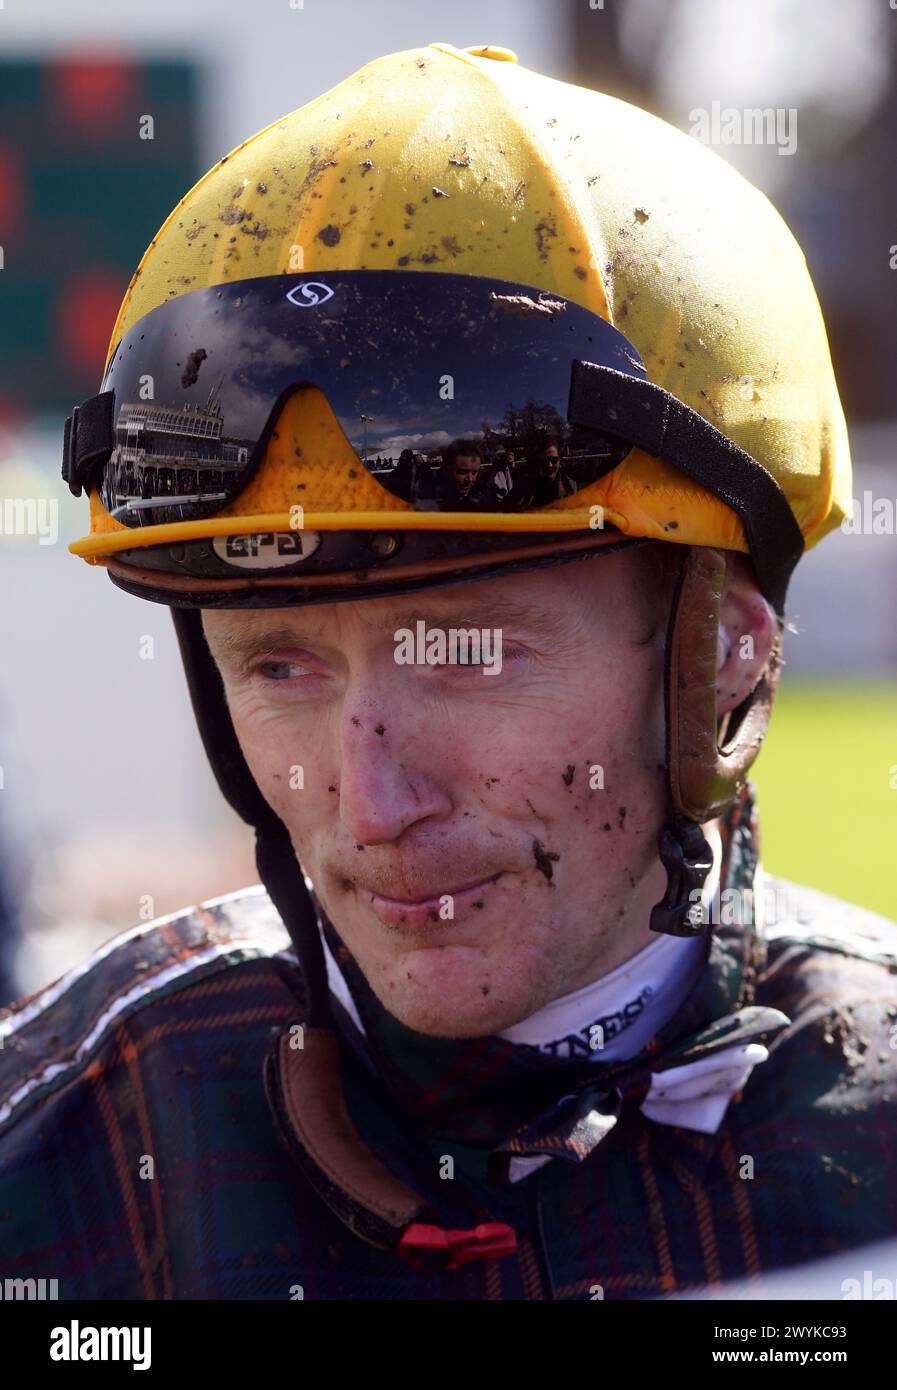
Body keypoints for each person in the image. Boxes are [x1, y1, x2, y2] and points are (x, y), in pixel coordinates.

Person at [2, 40, 894, 1301]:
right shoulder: (58, 1146)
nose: (373, 805)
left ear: (726, 652)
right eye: (281, 667)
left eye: (469, 654)